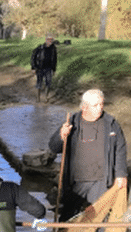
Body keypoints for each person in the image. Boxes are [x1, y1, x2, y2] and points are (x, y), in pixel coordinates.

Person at [48, 89, 127, 223]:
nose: (100, 108)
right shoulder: (72, 122)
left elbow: (120, 149)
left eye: (101, 104)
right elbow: (53, 147)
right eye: (95, 105)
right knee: (69, 214)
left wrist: (121, 174)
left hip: (101, 180)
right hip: (76, 181)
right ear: (84, 107)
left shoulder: (111, 123)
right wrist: (61, 135)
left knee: (97, 216)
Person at [31, 33, 57, 102]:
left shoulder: (53, 49)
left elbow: (54, 59)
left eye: (51, 40)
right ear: (46, 40)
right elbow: (33, 57)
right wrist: (33, 67)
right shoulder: (40, 48)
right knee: (39, 82)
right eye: (48, 39)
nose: (50, 41)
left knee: (48, 82)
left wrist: (54, 70)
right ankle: (38, 98)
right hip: (40, 68)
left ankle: (46, 97)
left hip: (49, 68)